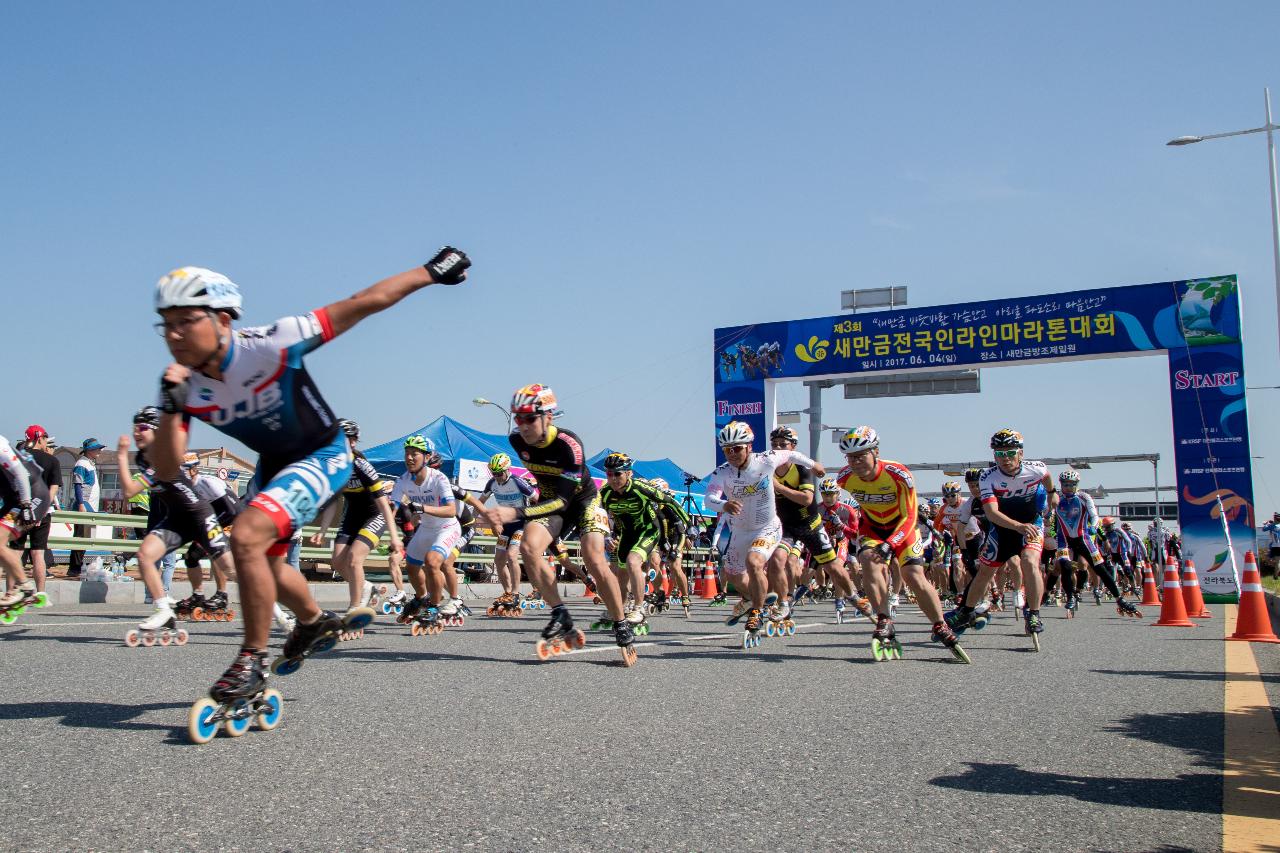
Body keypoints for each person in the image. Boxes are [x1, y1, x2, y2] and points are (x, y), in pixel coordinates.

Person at [149, 249, 468, 705]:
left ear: (222, 319)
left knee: (245, 537)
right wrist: (169, 403)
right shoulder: (185, 387)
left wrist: (430, 272)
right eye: (166, 324)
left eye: (185, 320)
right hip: (274, 465)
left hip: (324, 454)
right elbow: (165, 467)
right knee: (266, 565)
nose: (174, 335)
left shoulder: (271, 343)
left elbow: (364, 301)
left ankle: (251, 661)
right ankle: (313, 621)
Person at [479, 384, 635, 665]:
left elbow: (564, 503)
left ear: (548, 417)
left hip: (582, 501)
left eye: (530, 418)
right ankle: (560, 613)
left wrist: (514, 513)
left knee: (595, 559)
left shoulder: (569, 445)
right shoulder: (517, 441)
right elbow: (551, 498)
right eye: (518, 418)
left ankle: (620, 622)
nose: (523, 425)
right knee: (528, 547)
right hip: (550, 500)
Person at [835, 426, 969, 662]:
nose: (856, 462)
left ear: (875, 451)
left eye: (861, 456)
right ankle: (884, 620)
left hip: (903, 527)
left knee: (913, 575)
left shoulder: (899, 474)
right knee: (867, 560)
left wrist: (891, 543)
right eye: (850, 457)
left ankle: (940, 625)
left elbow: (910, 516)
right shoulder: (844, 479)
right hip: (873, 528)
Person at [703, 421, 819, 647]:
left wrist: (814, 465)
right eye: (727, 449)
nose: (732, 454)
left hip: (767, 527)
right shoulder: (722, 472)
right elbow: (709, 499)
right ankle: (753, 599)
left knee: (754, 562)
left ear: (748, 446)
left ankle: (756, 612)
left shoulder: (765, 460)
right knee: (734, 574)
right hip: (740, 531)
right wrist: (723, 505)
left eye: (737, 448)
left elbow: (790, 455)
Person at [949, 429, 1057, 647]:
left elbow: (1046, 477)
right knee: (985, 572)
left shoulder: (1036, 469)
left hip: (1031, 525)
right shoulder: (989, 477)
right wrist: (1018, 526)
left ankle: (1034, 613)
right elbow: (991, 513)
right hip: (1005, 529)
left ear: (1021, 453)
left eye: (1010, 453)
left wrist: (1053, 492)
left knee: (1029, 561)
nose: (1005, 459)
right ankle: (966, 612)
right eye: (999, 454)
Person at [310, 418, 403, 621]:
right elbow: (332, 501)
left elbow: (383, 504)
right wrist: (323, 530)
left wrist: (394, 536)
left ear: (353, 443)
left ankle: (354, 608)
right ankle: (368, 588)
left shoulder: (362, 466)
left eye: (346, 440)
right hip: (352, 515)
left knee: (354, 559)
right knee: (337, 561)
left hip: (374, 514)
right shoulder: (333, 466)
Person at [476, 452, 535, 616]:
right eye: (493, 473)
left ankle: (516, 593)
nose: (497, 477)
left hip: (521, 524)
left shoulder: (518, 482)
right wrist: (487, 521)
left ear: (507, 470)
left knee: (512, 555)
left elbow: (538, 499)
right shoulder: (491, 483)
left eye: (499, 473)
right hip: (506, 526)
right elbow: (479, 503)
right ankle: (508, 592)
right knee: (498, 559)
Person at [0, 435, 52, 618]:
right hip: (13, 499)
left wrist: (27, 504)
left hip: (33, 495)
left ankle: (24, 587)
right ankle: (15, 590)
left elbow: (21, 473)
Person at [12, 425, 61, 596]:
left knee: (16, 553)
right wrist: (40, 508)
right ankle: (40, 594)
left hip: (20, 511)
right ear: (40, 438)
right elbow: (53, 488)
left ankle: (11, 593)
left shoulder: (18, 459)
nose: (47, 442)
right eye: (46, 438)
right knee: (38, 553)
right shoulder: (52, 461)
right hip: (43, 512)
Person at [68, 437, 105, 578]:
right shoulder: (82, 464)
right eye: (97, 448)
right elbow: (78, 485)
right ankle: (74, 568)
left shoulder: (90, 463)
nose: (100, 450)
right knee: (80, 537)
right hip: (85, 504)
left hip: (89, 505)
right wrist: (81, 504)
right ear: (89, 450)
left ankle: (77, 565)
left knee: (85, 537)